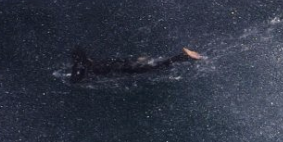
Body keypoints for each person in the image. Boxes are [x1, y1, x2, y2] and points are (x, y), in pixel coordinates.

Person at [68, 46, 204, 83]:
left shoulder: (88, 67)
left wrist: (76, 67)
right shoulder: (93, 62)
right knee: (155, 63)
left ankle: (185, 56)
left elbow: (75, 80)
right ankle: (184, 56)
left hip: (128, 67)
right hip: (127, 62)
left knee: (158, 66)